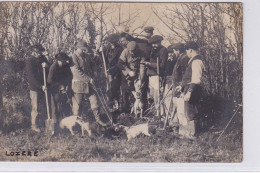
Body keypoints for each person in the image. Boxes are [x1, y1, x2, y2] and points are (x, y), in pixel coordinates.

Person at [70, 39, 107, 127]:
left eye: (85, 49)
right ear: (77, 48)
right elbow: (76, 71)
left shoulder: (86, 56)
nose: (84, 50)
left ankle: (98, 120)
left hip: (89, 84)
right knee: (77, 105)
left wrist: (94, 71)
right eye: (82, 49)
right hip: (78, 84)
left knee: (94, 101)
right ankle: (76, 124)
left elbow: (93, 64)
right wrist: (88, 79)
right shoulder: (73, 57)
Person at [175, 41, 205, 139]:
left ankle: (192, 135)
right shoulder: (192, 60)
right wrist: (182, 86)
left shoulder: (196, 61)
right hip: (188, 88)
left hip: (193, 90)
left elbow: (196, 79)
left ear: (190, 50)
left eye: (187, 51)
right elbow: (189, 76)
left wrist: (189, 92)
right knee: (187, 112)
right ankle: (188, 134)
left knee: (190, 113)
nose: (186, 53)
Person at [25, 43, 49, 132]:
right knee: (35, 107)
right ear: (33, 52)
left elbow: (49, 68)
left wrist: (46, 65)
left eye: (40, 52)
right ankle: (34, 125)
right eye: (38, 52)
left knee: (43, 106)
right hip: (35, 87)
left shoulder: (43, 58)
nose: (40, 54)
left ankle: (43, 123)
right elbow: (31, 77)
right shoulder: (29, 61)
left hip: (44, 86)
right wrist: (40, 86)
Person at [142, 35, 168, 117]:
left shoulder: (163, 50)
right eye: (153, 44)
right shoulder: (152, 50)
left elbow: (162, 65)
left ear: (159, 42)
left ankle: (161, 114)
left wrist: (150, 64)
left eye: (155, 44)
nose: (154, 45)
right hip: (151, 75)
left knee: (158, 96)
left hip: (157, 75)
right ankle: (157, 112)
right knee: (152, 96)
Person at [117, 41, 146, 114]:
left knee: (138, 92)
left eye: (133, 51)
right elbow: (120, 64)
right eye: (130, 51)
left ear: (137, 49)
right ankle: (125, 111)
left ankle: (137, 111)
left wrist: (140, 79)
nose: (132, 53)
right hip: (126, 74)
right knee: (126, 91)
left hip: (137, 74)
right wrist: (128, 71)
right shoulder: (125, 52)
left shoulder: (142, 53)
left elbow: (142, 67)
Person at [47, 52, 72, 123]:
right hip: (54, 88)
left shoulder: (66, 66)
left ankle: (65, 122)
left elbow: (69, 76)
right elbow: (49, 80)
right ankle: (55, 124)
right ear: (59, 61)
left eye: (65, 61)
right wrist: (59, 85)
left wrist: (67, 85)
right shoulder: (53, 67)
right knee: (55, 106)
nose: (64, 63)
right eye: (63, 61)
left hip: (64, 87)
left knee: (65, 104)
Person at [104, 33, 124, 120]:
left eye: (113, 42)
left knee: (114, 90)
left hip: (116, 72)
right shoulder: (107, 49)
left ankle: (117, 109)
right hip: (107, 72)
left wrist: (111, 70)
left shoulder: (120, 49)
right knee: (108, 90)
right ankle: (109, 108)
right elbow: (104, 59)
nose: (112, 44)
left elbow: (119, 64)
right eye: (110, 43)